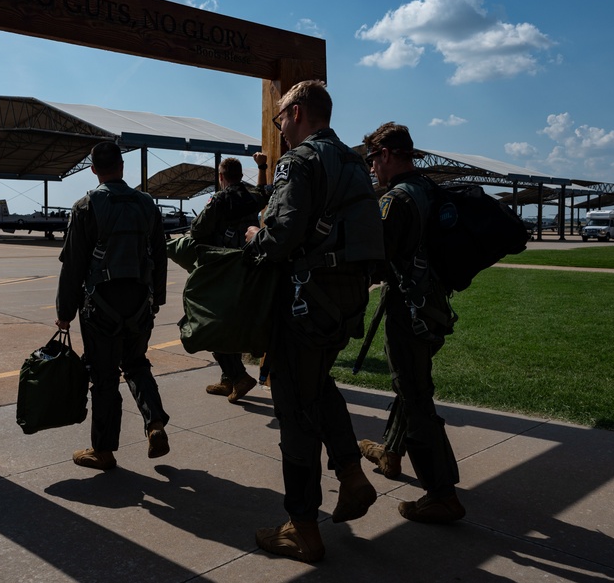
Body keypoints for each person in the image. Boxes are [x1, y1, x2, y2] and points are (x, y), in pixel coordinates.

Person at [244, 80, 384, 563]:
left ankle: (302, 527)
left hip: (305, 304)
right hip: (343, 303)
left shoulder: (300, 161)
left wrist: (253, 235)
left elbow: (280, 237)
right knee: (318, 386)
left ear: (298, 112)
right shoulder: (353, 164)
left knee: (294, 410)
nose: (279, 127)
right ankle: (350, 474)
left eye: (281, 117)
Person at [360, 122, 465, 523]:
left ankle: (441, 493)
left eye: (372, 159)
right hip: (434, 305)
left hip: (410, 310)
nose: (372, 167)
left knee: (414, 394)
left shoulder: (397, 200)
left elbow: (377, 260)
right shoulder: (428, 190)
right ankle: (390, 450)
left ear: (386, 154)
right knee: (413, 384)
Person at [55, 141, 171, 471]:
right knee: (136, 364)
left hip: (100, 306)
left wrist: (65, 311)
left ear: (93, 170)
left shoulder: (86, 206)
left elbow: (73, 266)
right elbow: (159, 256)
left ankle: (103, 450)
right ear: (122, 166)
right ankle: (155, 423)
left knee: (104, 377)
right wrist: (157, 299)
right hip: (140, 303)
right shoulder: (147, 204)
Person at [189, 155, 270, 403]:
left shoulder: (220, 199)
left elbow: (197, 230)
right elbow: (264, 191)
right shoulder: (252, 196)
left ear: (221, 177)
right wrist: (262, 167)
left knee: (209, 323)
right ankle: (228, 379)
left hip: (223, 269)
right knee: (231, 322)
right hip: (249, 268)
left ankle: (238, 376)